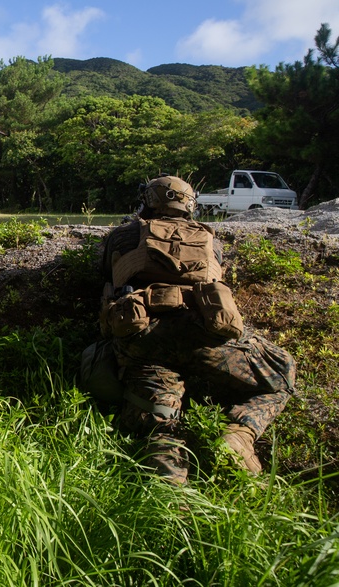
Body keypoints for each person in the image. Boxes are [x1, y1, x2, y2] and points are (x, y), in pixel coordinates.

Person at [88, 175, 296, 484]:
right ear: (189, 206)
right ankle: (239, 435)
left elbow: (105, 270)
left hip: (144, 338)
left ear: (149, 201)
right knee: (282, 372)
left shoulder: (123, 236)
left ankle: (171, 497)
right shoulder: (209, 238)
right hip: (206, 336)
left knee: (158, 420)